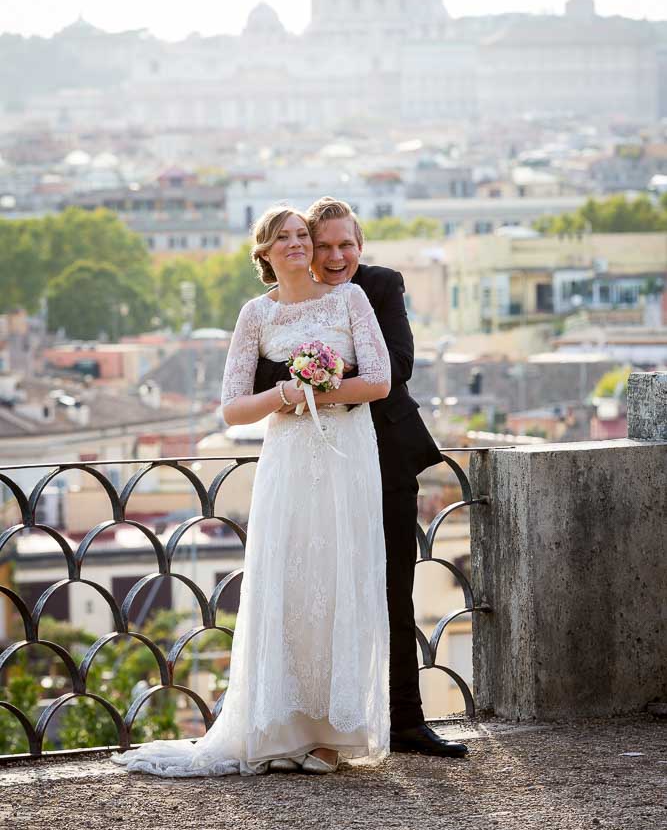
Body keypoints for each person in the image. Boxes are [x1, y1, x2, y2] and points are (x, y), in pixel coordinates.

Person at [112, 206, 392, 776]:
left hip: (345, 452)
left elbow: (381, 379)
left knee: (340, 577)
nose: (296, 244)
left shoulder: (350, 300)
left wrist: (326, 387)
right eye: (282, 237)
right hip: (288, 457)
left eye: (301, 236)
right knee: (288, 581)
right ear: (262, 252)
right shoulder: (254, 315)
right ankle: (280, 727)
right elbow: (233, 407)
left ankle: (333, 735)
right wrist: (287, 394)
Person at [253, 198, 467, 759]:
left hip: (387, 453)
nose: (334, 255)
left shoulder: (377, 286)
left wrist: (324, 370)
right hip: (315, 466)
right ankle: (315, 724)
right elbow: (261, 375)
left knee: (391, 590)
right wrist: (304, 369)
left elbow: (397, 366)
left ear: (360, 246)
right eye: (322, 245)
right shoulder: (279, 302)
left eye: (345, 244)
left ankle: (406, 721)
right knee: (315, 592)